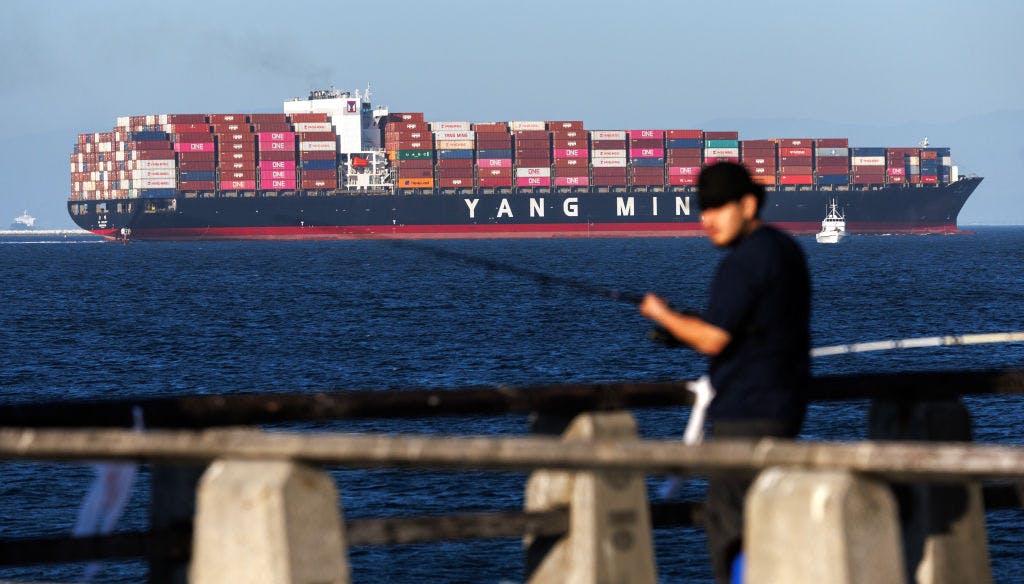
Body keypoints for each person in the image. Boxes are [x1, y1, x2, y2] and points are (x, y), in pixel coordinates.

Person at [639, 161, 811, 584]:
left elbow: (714, 340)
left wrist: (663, 315)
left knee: (732, 528)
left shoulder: (743, 262)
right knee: (769, 521)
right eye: (702, 209)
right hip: (786, 406)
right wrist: (686, 327)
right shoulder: (785, 250)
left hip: (745, 413)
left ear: (748, 204)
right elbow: (752, 325)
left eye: (716, 208)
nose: (705, 221)